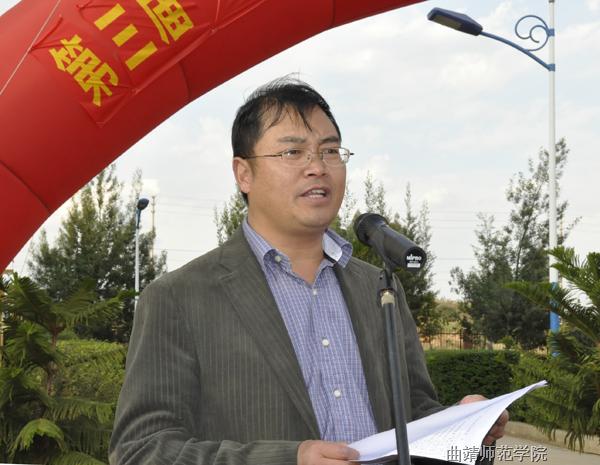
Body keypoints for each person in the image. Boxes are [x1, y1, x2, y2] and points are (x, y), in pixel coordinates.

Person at [109, 77, 508, 465]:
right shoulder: (179, 298)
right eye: (292, 152)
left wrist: (463, 428)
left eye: (330, 151)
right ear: (244, 173)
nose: (317, 166)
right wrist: (289, 459)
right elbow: (142, 449)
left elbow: (414, 415)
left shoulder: (379, 287)